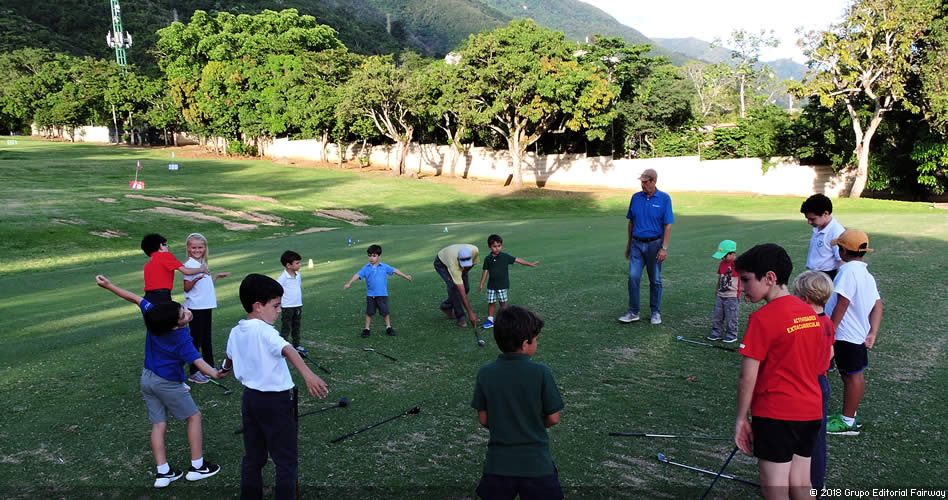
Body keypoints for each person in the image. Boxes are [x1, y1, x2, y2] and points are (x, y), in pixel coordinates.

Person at [94, 275, 224, 489]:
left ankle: (163, 473)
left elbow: (135, 298)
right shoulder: (181, 338)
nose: (187, 313)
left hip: (147, 379)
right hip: (166, 383)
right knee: (194, 417)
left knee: (159, 424)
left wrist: (108, 286)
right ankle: (198, 467)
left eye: (183, 308)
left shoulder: (155, 316)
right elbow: (198, 361)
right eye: (183, 315)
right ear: (174, 326)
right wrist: (216, 373)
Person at [223, 273, 330, 499]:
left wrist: (221, 370)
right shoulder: (265, 332)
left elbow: (229, 357)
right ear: (258, 306)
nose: (279, 310)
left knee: (254, 458)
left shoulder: (236, 330)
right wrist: (308, 375)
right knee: (286, 461)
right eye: (276, 305)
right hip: (275, 403)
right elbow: (288, 349)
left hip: (250, 400)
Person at [733, 243, 824, 499]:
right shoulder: (809, 313)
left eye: (747, 280)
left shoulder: (763, 318)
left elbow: (747, 376)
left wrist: (741, 419)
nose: (742, 288)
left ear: (770, 278)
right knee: (801, 483)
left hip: (777, 414)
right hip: (810, 410)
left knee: (774, 487)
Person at [471, 305, 565, 500]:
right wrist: (534, 424)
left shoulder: (485, 373)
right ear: (525, 344)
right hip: (537, 464)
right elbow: (553, 418)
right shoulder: (541, 373)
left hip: (498, 465)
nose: (536, 344)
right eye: (536, 340)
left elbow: (483, 419)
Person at [825, 229, 883, 436]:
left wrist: (829, 330)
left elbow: (843, 301)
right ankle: (848, 415)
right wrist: (873, 332)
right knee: (849, 374)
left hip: (845, 335)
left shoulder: (848, 272)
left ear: (843, 250)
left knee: (852, 376)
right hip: (855, 335)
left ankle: (848, 421)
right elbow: (878, 306)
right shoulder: (866, 274)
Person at [791, 270, 836, 493]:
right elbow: (830, 353)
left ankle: (807, 486)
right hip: (821, 383)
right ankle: (815, 485)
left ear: (805, 299)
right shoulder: (827, 321)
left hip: (805, 385)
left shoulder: (804, 325)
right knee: (817, 439)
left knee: (803, 439)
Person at [619, 168, 673, 325]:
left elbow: (668, 225)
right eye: (641, 182)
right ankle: (633, 312)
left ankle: (655, 312)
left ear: (654, 181)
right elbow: (631, 222)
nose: (642, 185)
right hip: (636, 244)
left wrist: (664, 248)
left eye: (645, 182)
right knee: (633, 277)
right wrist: (629, 244)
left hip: (655, 245)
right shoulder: (635, 198)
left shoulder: (664, 199)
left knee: (655, 280)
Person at [182, 233, 231, 385]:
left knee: (206, 338)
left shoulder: (202, 263)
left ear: (205, 248)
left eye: (200, 247)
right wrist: (196, 276)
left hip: (206, 305)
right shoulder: (190, 265)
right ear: (188, 249)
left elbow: (204, 284)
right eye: (194, 247)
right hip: (196, 307)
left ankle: (210, 368)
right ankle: (194, 372)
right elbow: (187, 287)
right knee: (196, 339)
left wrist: (215, 277)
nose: (197, 250)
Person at [343, 244, 413, 338]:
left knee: (385, 312)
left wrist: (406, 276)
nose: (371, 258)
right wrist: (349, 283)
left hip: (382, 295)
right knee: (369, 313)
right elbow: (357, 275)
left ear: (379, 256)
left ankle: (388, 327)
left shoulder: (384, 267)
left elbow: (395, 271)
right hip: (370, 295)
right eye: (369, 255)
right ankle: (367, 329)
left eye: (374, 256)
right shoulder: (366, 268)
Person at [477, 234, 539, 329]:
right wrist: (481, 284)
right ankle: (490, 320)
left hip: (502, 285)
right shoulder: (487, 259)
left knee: (503, 303)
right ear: (489, 247)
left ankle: (506, 319)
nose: (497, 248)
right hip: (491, 286)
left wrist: (530, 264)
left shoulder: (505, 256)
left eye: (499, 246)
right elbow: (485, 271)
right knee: (491, 302)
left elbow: (517, 260)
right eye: (494, 246)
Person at [141, 233, 208, 304]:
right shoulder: (165, 255)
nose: (167, 248)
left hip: (147, 298)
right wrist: (201, 269)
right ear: (161, 246)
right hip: (161, 296)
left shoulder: (147, 265)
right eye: (165, 245)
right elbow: (186, 271)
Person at [800, 194, 845, 280]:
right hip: (813, 275)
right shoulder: (818, 227)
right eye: (807, 219)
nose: (809, 222)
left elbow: (841, 261)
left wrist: (835, 284)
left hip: (826, 277)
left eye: (812, 219)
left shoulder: (836, 232)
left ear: (825, 213)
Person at [434, 243, 480, 328]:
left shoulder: (474, 251)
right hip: (441, 263)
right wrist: (470, 312)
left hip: (453, 256)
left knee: (466, 288)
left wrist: (465, 271)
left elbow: (473, 263)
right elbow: (461, 292)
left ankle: (446, 306)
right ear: (458, 260)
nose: (466, 266)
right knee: (455, 289)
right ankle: (461, 318)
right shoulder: (453, 264)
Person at [707, 239, 740, 342]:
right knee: (717, 315)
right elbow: (720, 277)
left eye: (724, 255)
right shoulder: (722, 264)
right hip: (720, 294)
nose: (722, 257)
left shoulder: (738, 265)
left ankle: (732, 334)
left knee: (731, 316)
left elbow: (744, 278)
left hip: (732, 295)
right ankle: (716, 332)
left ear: (733, 253)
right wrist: (717, 289)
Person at [276, 250, 305, 353]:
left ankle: (297, 345)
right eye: (297, 263)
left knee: (296, 326)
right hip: (287, 307)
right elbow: (277, 290)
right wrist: (279, 305)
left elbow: (297, 287)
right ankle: (283, 347)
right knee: (286, 327)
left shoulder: (298, 275)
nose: (299, 265)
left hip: (298, 305)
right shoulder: (283, 277)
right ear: (288, 265)